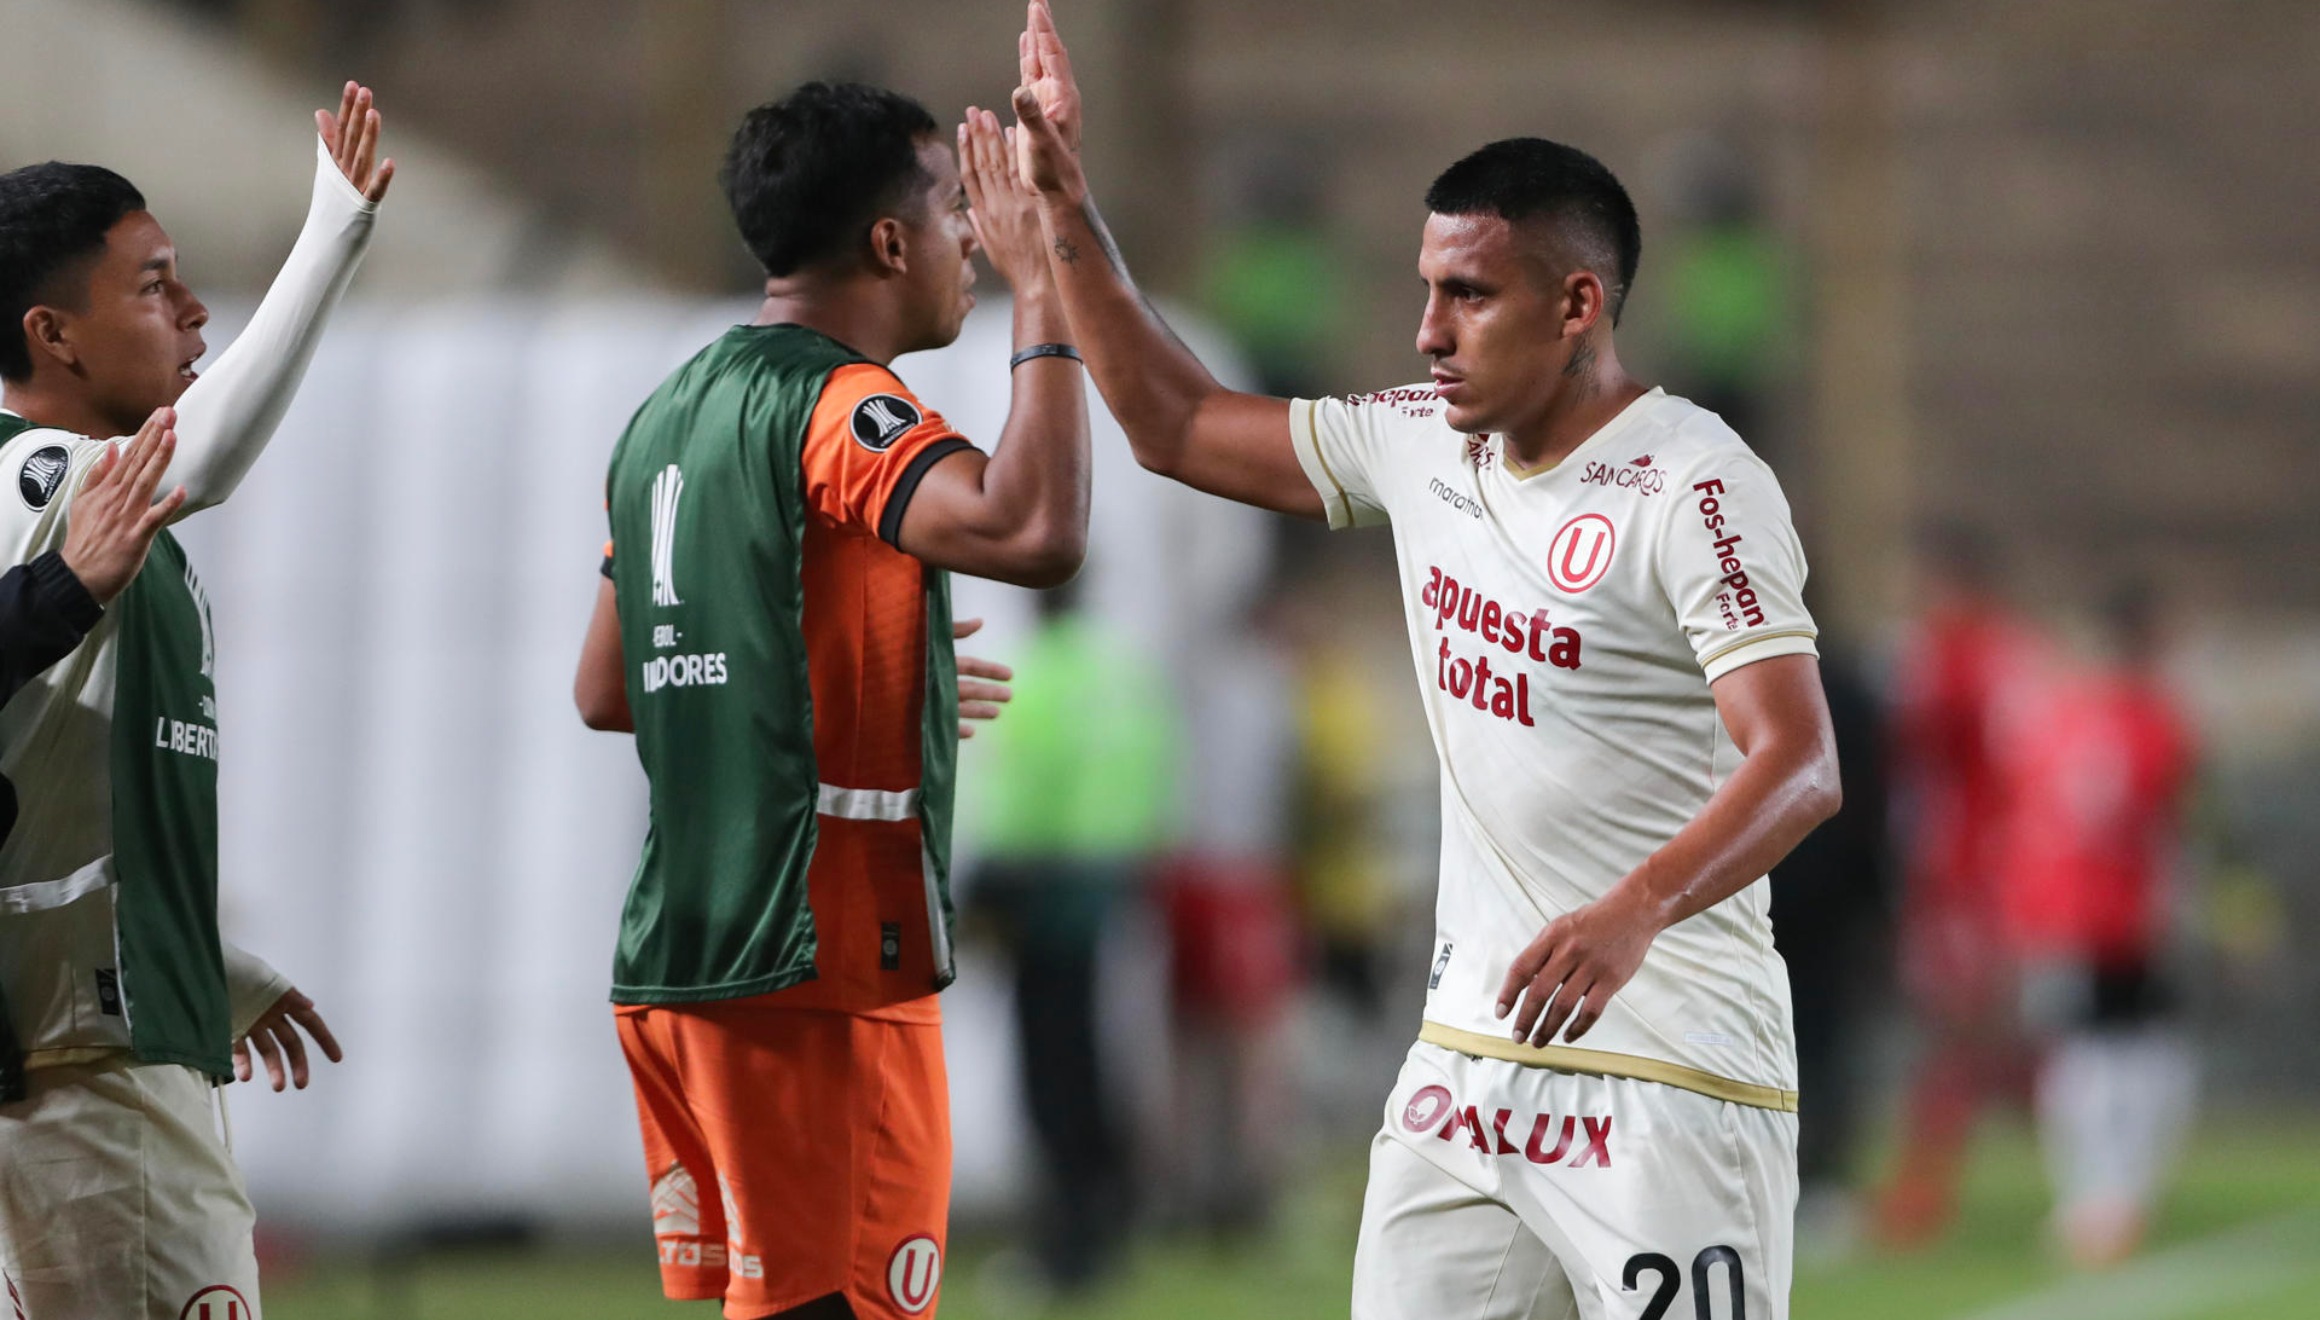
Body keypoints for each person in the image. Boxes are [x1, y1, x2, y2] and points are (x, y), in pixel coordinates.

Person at [1004, 5, 1841, 1316]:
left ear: (1576, 306)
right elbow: (1171, 423)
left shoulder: (1697, 483)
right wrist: (1066, 210)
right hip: (1469, 1070)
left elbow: (1799, 759)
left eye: (1468, 295)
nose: (1425, 331)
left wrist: (1637, 908)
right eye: (1424, 289)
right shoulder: (1417, 444)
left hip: (1670, 1069)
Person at [572, 84, 1088, 1320]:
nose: (978, 237)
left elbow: (607, 688)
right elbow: (1033, 528)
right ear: (890, 242)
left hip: (680, 959)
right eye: (962, 213)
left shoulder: (668, 414)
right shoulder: (841, 402)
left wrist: (845, 686)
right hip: (815, 959)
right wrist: (1047, 285)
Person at [0, 83, 390, 1316]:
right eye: (154, 284)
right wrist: (332, 232)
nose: (193, 310)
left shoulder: (94, 512)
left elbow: (47, 793)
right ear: (54, 335)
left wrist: (197, 959)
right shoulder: (46, 476)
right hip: (82, 1083)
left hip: (98, 1041)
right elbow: (203, 456)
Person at [966, 579, 1175, 1291]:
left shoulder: (1039, 671)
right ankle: (1103, 1228)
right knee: (1089, 1061)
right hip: (1106, 888)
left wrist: (984, 884)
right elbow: (1154, 777)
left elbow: (1020, 795)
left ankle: (1066, 1246)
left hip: (1041, 890)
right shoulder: (1121, 670)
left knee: (1049, 1074)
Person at [2002, 590, 2198, 1267]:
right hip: (2118, 914)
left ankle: (2102, 1199)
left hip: (2059, 913)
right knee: (2123, 1054)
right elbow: (2170, 819)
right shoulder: (2153, 722)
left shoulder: (2053, 717)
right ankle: (2107, 1200)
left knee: (2092, 1054)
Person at [1874, 528, 2042, 1246]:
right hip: (1987, 871)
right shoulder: (2011, 652)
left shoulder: (1947, 657)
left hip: (1963, 876)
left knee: (1958, 1032)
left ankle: (1921, 1193)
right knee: (1986, 1038)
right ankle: (2086, 1160)